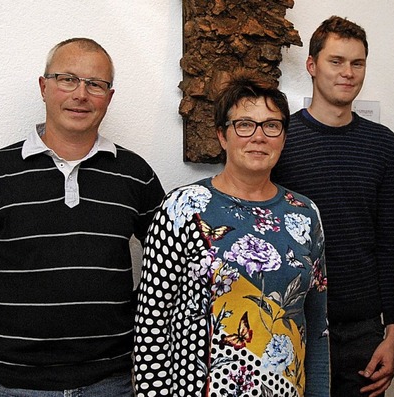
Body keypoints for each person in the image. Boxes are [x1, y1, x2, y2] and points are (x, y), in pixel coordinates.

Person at [0, 38, 165, 395]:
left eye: (95, 84)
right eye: (67, 79)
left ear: (109, 97)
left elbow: (171, 267)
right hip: (14, 386)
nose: (81, 94)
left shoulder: (134, 174)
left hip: (112, 383)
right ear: (44, 86)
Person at [133, 72, 329, 397]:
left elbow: (317, 323)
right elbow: (152, 325)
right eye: (244, 124)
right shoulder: (183, 208)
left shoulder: (305, 213)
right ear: (222, 136)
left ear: (283, 136)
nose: (258, 136)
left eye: (271, 125)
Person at [272, 16, 394, 397]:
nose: (348, 73)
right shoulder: (280, 138)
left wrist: (392, 330)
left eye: (357, 63)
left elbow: (389, 239)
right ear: (312, 66)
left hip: (363, 327)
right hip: (292, 318)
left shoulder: (382, 143)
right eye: (336, 61)